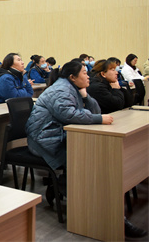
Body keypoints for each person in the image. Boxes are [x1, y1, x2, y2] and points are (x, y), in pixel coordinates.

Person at [22, 61, 147, 237]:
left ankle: (63, 185)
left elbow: (95, 110)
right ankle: (110, 217)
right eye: (84, 72)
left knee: (95, 158)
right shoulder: (61, 90)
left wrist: (86, 96)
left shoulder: (73, 88)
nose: (88, 75)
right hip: (44, 141)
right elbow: (69, 115)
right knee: (91, 162)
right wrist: (98, 119)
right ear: (72, 77)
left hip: (59, 136)